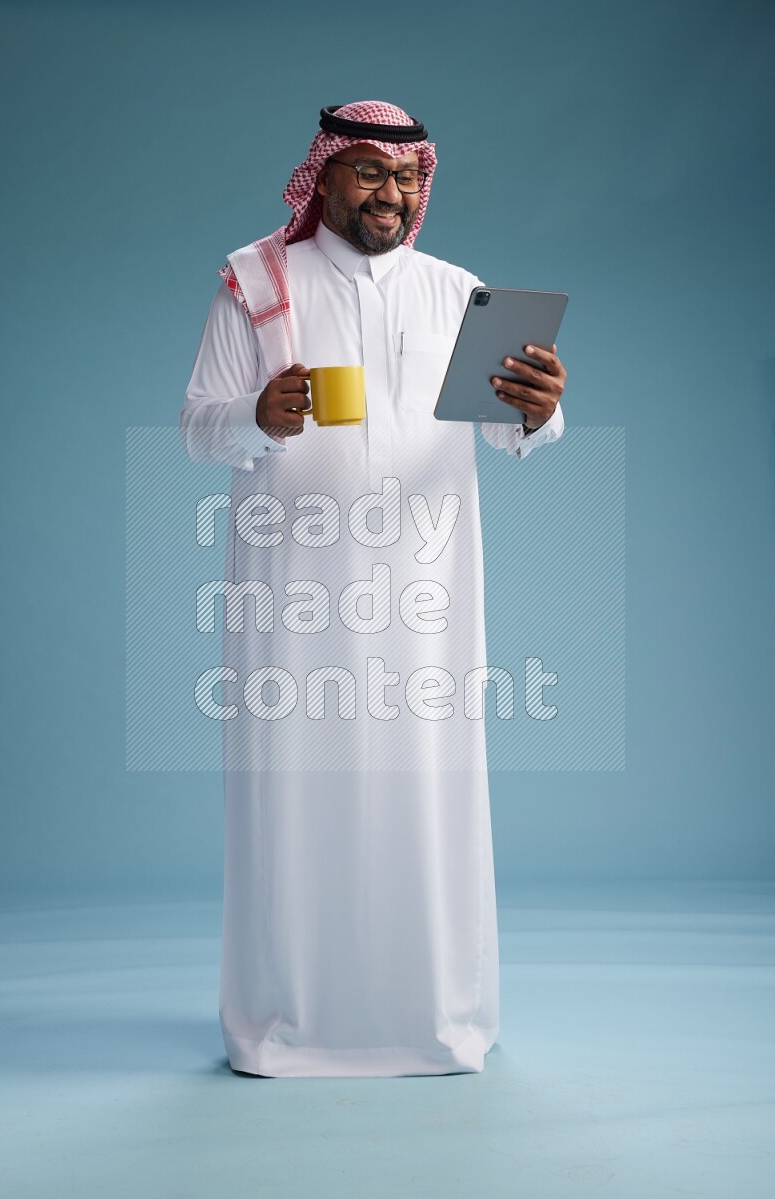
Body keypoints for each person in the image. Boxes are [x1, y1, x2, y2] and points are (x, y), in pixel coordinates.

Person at [181, 101, 567, 1079]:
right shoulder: (255, 281)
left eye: (404, 177)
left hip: (425, 600)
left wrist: (539, 412)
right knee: (293, 801)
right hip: (293, 602)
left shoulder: (456, 293)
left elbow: (509, 433)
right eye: (366, 173)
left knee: (424, 798)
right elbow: (197, 423)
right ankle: (283, 1024)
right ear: (322, 178)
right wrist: (254, 414)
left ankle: (434, 1018)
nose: (388, 193)